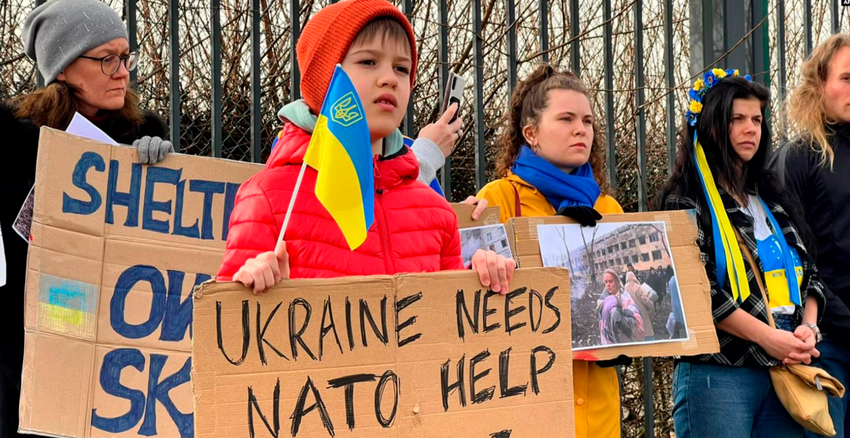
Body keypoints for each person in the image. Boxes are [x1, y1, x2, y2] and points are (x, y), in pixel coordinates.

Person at [216, 0, 514, 296]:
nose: (390, 79)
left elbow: (448, 316)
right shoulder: (267, 197)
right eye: (368, 62)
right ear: (326, 78)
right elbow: (223, 315)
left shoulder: (437, 212)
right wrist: (252, 284)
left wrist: (480, 279)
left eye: (401, 68)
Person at [0, 1, 173, 436]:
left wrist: (164, 171)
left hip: (118, 343)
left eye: (126, 57)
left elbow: (164, 245)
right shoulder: (15, 142)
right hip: (27, 343)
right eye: (106, 59)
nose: (122, 72)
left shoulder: (141, 135)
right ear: (63, 68)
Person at [656, 69, 825, 437]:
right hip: (720, 370)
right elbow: (697, 291)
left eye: (757, 120)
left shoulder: (770, 198)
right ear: (711, 125)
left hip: (784, 363)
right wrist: (768, 337)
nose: (751, 129)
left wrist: (808, 328)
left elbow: (810, 274)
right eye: (737, 119)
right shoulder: (686, 200)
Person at [475, 63, 625, 438]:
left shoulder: (608, 209)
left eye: (587, 121)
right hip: (528, 408)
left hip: (598, 411)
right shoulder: (498, 199)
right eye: (566, 119)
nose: (581, 129)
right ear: (531, 133)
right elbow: (471, 307)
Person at [775, 33, 850, 438]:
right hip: (825, 342)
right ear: (819, 84)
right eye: (847, 78)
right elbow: (793, 256)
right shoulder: (800, 156)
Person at [598, 270, 645, 345]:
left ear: (617, 282)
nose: (608, 285)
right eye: (606, 282)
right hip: (611, 344)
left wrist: (623, 313)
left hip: (628, 342)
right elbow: (602, 328)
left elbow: (635, 315)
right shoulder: (602, 303)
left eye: (610, 281)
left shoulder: (625, 297)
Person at [625, 271, 657, 340]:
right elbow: (644, 299)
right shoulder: (638, 287)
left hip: (631, 314)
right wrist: (651, 305)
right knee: (646, 331)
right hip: (642, 312)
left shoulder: (625, 288)